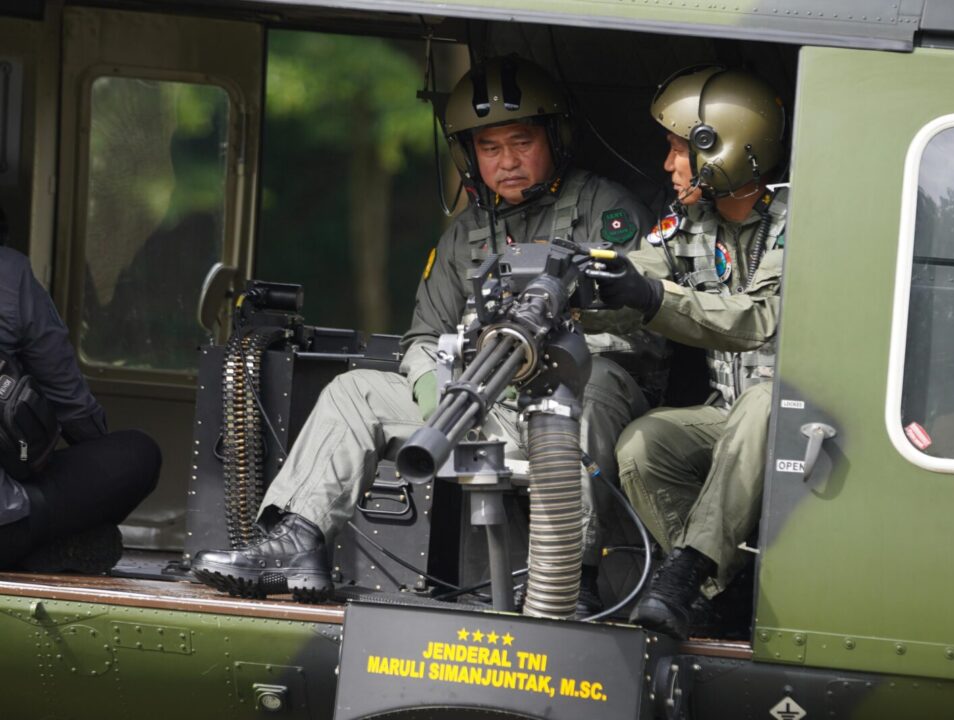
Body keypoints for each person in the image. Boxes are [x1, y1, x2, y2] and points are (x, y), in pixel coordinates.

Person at [192, 56, 654, 610]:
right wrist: (438, 391)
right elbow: (423, 337)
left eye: (521, 141)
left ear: (554, 138)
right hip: (485, 397)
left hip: (580, 390)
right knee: (354, 392)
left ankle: (569, 579)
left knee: (591, 388)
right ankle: (299, 541)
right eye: (489, 148)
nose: (507, 161)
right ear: (468, 156)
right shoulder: (465, 235)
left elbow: (645, 325)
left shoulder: (607, 211)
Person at [588, 67, 787, 638]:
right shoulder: (691, 224)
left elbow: (762, 319)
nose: (668, 166)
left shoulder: (804, 221)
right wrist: (578, 286)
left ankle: (687, 576)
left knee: (766, 400)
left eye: (679, 151)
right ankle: (714, 594)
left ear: (721, 149)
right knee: (643, 445)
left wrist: (653, 296)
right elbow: (639, 278)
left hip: (801, 416)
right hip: (727, 414)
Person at [0, 247, 161, 572]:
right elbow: (72, 407)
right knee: (138, 454)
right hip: (8, 523)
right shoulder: (8, 273)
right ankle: (45, 549)